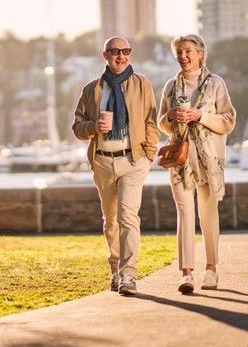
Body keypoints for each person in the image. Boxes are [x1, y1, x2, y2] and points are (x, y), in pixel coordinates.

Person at [72, 36, 159, 296]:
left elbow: (151, 121)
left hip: (133, 161)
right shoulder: (92, 89)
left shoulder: (142, 84)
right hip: (102, 161)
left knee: (128, 217)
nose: (121, 56)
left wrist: (149, 152)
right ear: (105, 55)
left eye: (126, 51)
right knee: (111, 221)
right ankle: (115, 269)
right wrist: (92, 127)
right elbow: (77, 127)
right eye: (115, 52)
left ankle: (129, 275)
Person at [158, 34, 236, 293]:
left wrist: (200, 115)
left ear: (201, 53)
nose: (183, 56)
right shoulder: (170, 85)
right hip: (180, 158)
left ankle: (211, 269)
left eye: (188, 50)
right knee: (184, 214)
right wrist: (170, 116)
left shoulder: (216, 84)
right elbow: (161, 124)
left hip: (209, 159)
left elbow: (228, 121)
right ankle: (186, 274)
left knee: (208, 214)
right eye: (179, 52)